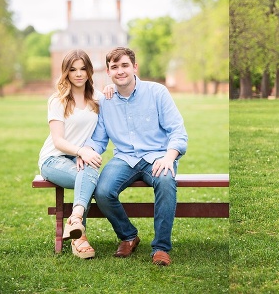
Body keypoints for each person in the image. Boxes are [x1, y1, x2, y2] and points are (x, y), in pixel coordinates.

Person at [78, 47, 188, 266]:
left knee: (166, 181)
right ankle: (128, 236)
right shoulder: (106, 101)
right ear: (108, 72)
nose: (120, 71)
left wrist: (169, 157)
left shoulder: (157, 92)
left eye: (125, 65)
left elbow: (177, 131)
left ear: (135, 67)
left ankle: (161, 248)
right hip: (124, 158)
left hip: (157, 156)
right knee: (102, 191)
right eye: (114, 67)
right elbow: (99, 138)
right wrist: (86, 150)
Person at [38, 49, 109, 259]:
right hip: (53, 159)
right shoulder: (58, 100)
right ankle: (79, 238)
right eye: (72, 69)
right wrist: (81, 151)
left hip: (78, 157)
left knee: (88, 171)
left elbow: (122, 93)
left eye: (83, 69)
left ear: (89, 71)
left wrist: (112, 88)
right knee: (88, 175)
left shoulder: (97, 98)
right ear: (66, 72)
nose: (78, 74)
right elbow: (58, 141)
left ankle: (75, 223)